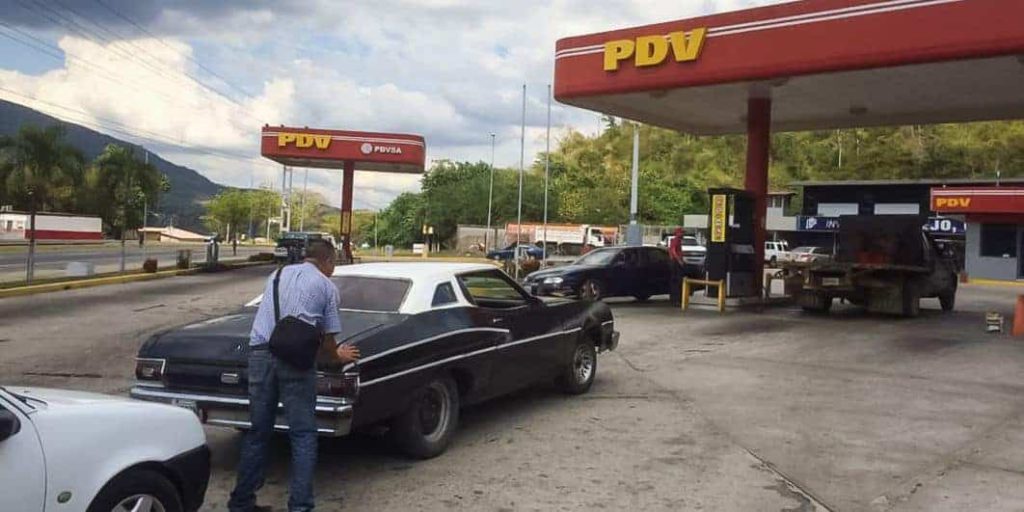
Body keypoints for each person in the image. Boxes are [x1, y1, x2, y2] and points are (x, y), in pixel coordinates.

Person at [229, 239, 360, 512]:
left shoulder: (276, 275)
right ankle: (300, 506)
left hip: (260, 354)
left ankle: (241, 502)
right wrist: (338, 356)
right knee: (302, 434)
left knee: (258, 432)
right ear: (328, 261)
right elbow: (327, 341)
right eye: (334, 263)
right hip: (295, 362)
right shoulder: (326, 287)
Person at [667, 228, 685, 305]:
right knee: (677, 281)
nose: (683, 234)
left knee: (676, 281)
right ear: (677, 233)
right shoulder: (676, 240)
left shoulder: (677, 240)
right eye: (681, 233)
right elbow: (673, 251)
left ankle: (675, 299)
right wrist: (679, 260)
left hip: (675, 262)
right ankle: (676, 300)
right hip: (675, 263)